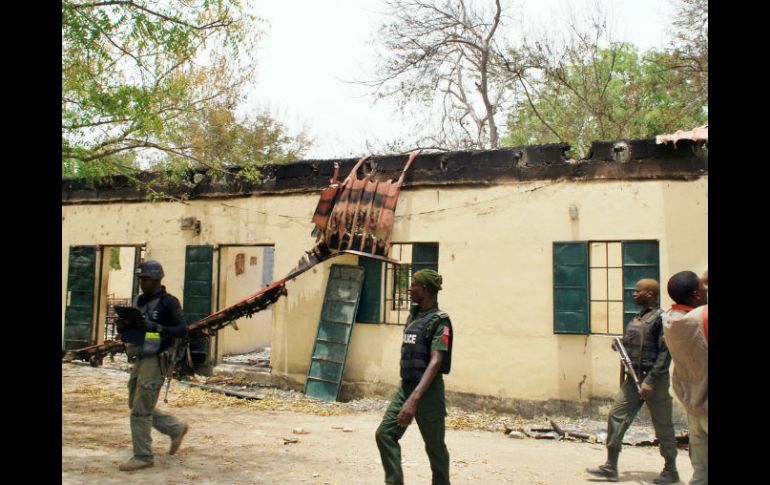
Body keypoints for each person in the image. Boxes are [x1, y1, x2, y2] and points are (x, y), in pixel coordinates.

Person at [586, 279, 679, 484]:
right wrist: (620, 344)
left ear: (650, 294)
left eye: (639, 291)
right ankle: (610, 466)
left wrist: (650, 381)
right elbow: (634, 342)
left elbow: (665, 353)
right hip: (633, 378)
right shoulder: (638, 317)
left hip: (653, 380)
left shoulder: (660, 318)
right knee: (616, 416)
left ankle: (671, 470)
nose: (634, 294)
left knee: (663, 425)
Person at [375, 269, 453, 485]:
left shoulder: (440, 321)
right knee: (385, 434)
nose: (409, 288)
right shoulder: (414, 316)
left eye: (414, 285)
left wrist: (415, 399)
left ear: (425, 289)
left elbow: (436, 361)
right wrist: (408, 396)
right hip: (406, 387)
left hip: (428, 392)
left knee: (435, 446)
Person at [116, 260, 190, 471]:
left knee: (140, 410)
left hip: (156, 357)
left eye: (146, 279)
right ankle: (175, 428)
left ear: (157, 280)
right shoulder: (138, 301)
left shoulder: (169, 302)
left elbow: (182, 330)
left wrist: (158, 327)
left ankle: (143, 455)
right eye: (140, 279)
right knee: (134, 401)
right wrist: (124, 325)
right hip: (140, 354)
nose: (142, 283)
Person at [663, 271, 708, 485]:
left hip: (694, 404)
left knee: (701, 473)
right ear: (696, 295)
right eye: (703, 286)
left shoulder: (670, 320)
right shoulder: (701, 318)